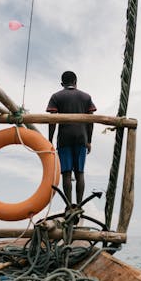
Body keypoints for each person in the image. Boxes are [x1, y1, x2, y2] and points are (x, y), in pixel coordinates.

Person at [46, 71, 96, 206]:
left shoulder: (56, 97)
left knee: (66, 173)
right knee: (80, 173)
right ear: (76, 82)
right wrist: (89, 141)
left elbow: (52, 121)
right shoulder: (86, 97)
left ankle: (69, 206)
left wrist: (49, 141)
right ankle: (79, 206)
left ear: (62, 83)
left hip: (64, 139)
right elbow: (91, 121)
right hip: (81, 138)